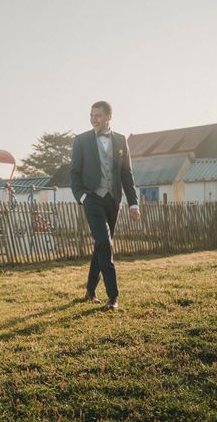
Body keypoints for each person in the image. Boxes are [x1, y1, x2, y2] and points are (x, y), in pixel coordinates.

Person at [70, 100, 140, 311]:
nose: (93, 119)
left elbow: (126, 173)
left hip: (113, 199)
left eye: (98, 115)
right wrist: (81, 196)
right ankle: (113, 296)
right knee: (105, 243)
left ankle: (90, 290)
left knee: (101, 245)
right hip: (91, 198)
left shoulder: (120, 140)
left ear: (109, 117)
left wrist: (133, 203)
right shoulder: (81, 140)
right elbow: (74, 172)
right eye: (91, 115)